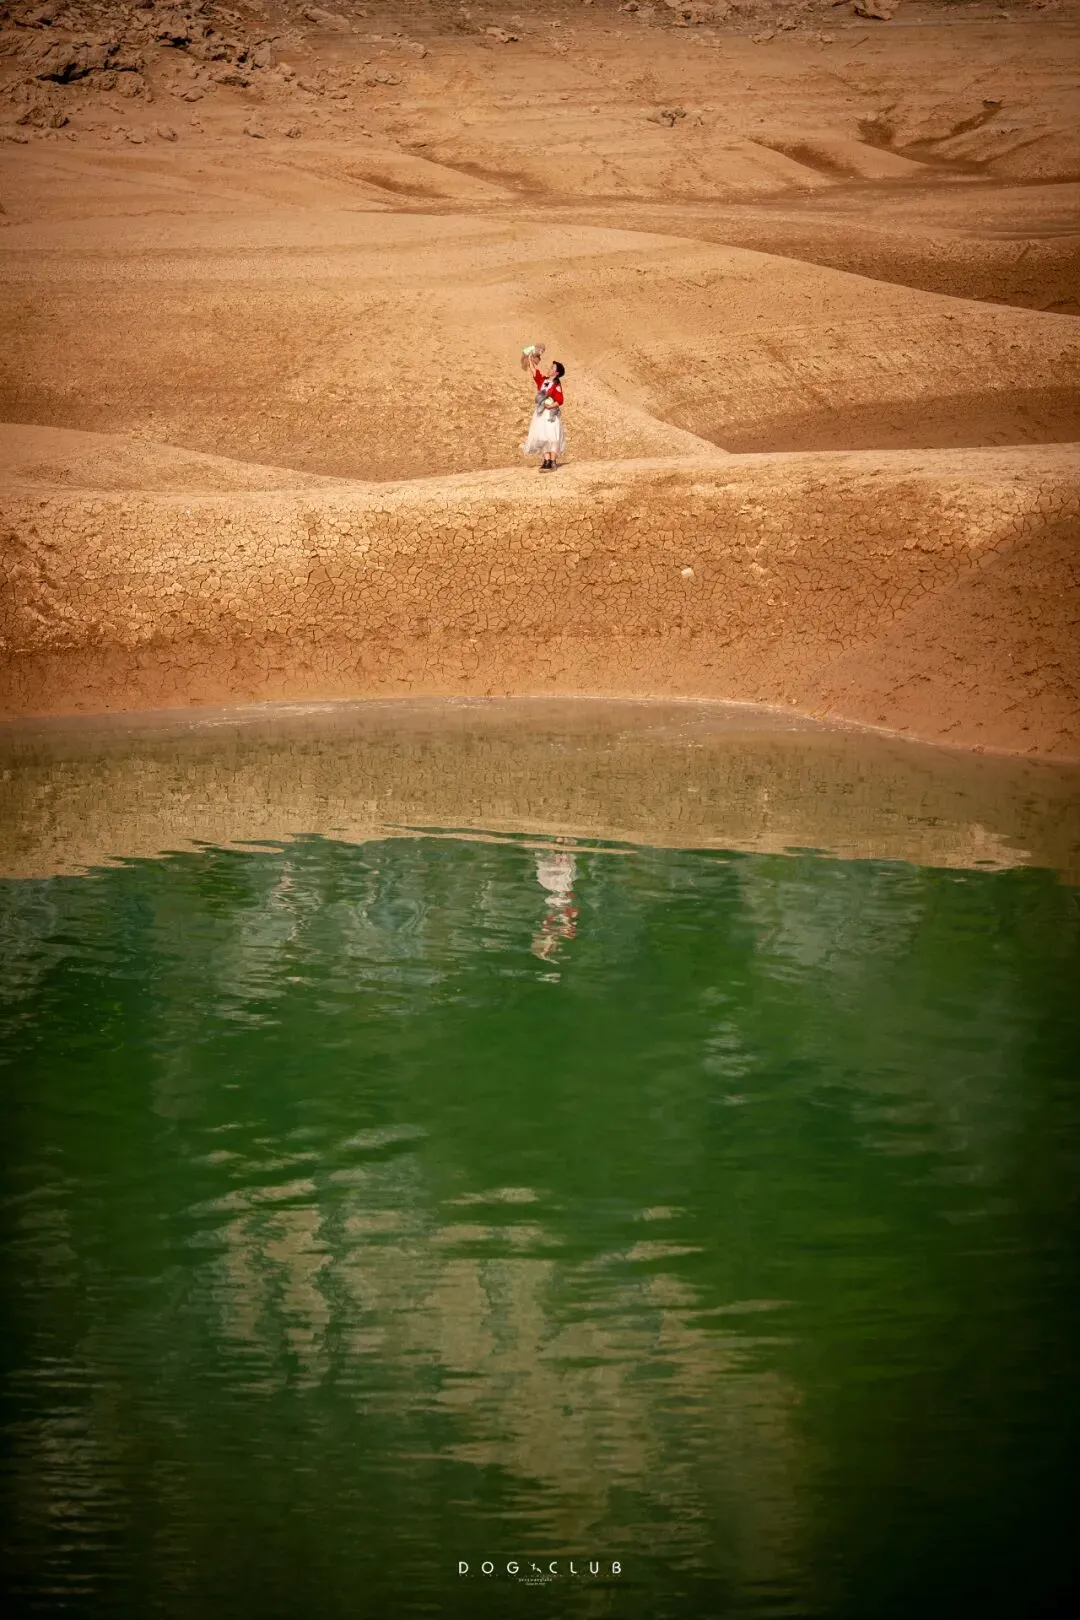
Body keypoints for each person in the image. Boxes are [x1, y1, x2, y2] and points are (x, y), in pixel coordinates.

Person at [521, 354, 566, 472]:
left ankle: (553, 461)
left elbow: (560, 400)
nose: (550, 369)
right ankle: (546, 461)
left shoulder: (556, 385)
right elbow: (535, 372)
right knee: (542, 436)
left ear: (556, 373)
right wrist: (530, 360)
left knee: (552, 437)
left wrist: (550, 406)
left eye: (552, 368)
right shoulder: (543, 381)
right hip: (541, 413)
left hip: (551, 415)